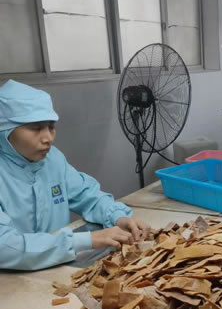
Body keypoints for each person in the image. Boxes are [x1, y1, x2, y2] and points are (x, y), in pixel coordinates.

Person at [0, 80, 149, 271]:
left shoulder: (53, 160)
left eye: (51, 126)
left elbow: (89, 196)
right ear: (5, 130)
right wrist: (86, 240)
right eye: (36, 128)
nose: (48, 138)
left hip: (57, 267)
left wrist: (118, 217)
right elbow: (6, 246)